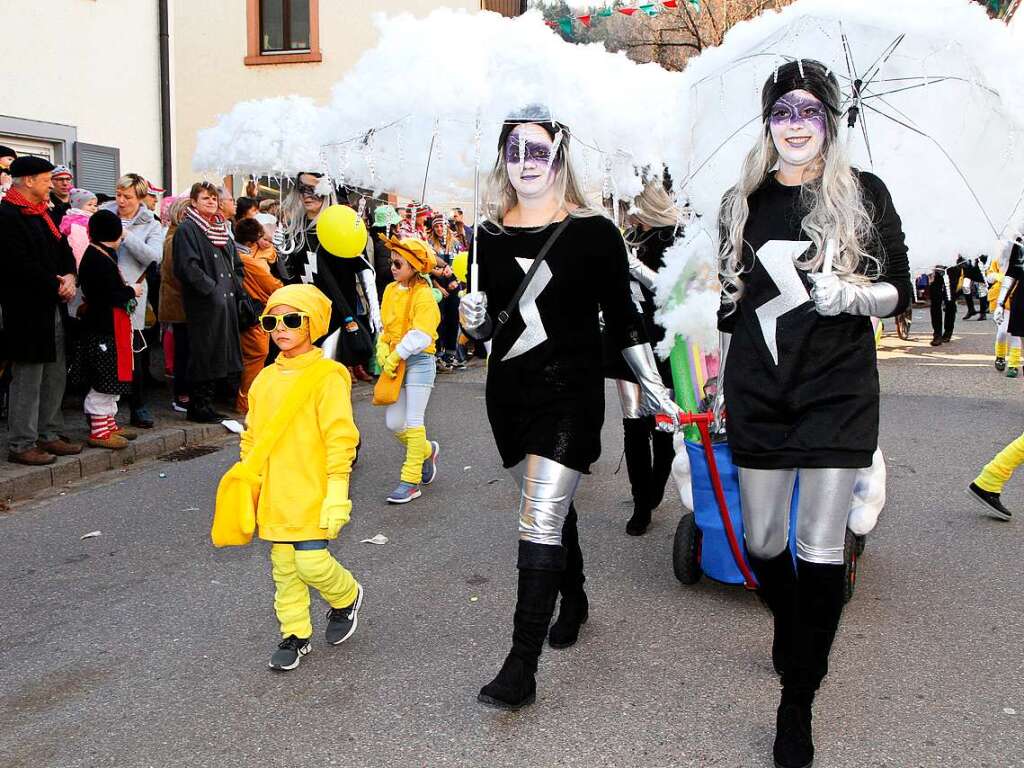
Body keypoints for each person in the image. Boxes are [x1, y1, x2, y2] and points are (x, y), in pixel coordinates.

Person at [714, 60, 910, 768]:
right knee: (764, 544)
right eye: (783, 111)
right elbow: (734, 302)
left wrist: (854, 295)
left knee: (818, 547)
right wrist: (715, 377)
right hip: (760, 389)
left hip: (835, 388)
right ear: (769, 122)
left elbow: (901, 291)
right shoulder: (742, 201)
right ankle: (795, 627)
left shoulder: (864, 196)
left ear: (830, 120)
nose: (795, 124)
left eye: (809, 110)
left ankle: (797, 701)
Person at [459, 106, 678, 710]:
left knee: (538, 517)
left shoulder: (596, 232)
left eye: (538, 150)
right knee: (547, 507)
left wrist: (655, 386)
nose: (525, 162)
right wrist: (469, 323)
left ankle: (520, 665)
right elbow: (483, 333)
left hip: (571, 395)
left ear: (559, 155)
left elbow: (627, 321)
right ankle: (574, 594)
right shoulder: (485, 236)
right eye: (514, 150)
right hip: (508, 397)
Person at [236, 283, 363, 670]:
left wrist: (337, 492)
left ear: (312, 323)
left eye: (291, 319)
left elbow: (341, 438)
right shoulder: (264, 380)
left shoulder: (329, 375)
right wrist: (248, 485)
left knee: (311, 564)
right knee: (284, 570)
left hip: (315, 489)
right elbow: (252, 437)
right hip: (276, 493)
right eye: (271, 320)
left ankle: (346, 596)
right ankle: (295, 634)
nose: (280, 328)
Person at [606, 178, 680, 536]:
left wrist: (636, 268)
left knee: (662, 424)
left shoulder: (678, 237)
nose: (628, 208)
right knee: (633, 424)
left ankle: (655, 487)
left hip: (665, 343)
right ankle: (640, 502)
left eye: (633, 200)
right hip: (626, 340)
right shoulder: (623, 237)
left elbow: (678, 290)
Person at [0, 156, 82, 465]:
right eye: (47, 178)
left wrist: (71, 276)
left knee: (54, 373)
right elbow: (15, 263)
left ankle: (50, 433)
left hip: (53, 306)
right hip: (25, 309)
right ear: (29, 181)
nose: (52, 183)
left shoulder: (42, 213)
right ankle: (22, 443)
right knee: (28, 377)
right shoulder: (7, 215)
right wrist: (56, 283)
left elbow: (63, 251)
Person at [276, 172, 381, 377]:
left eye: (314, 190)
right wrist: (280, 253)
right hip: (304, 318)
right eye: (302, 189)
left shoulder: (338, 228)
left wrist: (376, 315)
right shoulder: (296, 233)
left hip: (335, 316)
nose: (307, 196)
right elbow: (289, 279)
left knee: (326, 376)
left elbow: (364, 268)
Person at [375, 236, 442, 504]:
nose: (393, 267)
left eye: (398, 263)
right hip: (395, 359)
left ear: (414, 266)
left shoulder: (424, 295)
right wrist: (382, 346)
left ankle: (410, 481)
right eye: (392, 263)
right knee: (394, 423)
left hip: (420, 361)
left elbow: (423, 335)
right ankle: (426, 451)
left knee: (414, 422)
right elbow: (386, 324)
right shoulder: (391, 289)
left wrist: (396, 354)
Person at [173, 181, 243, 423]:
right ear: (193, 202)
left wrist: (236, 284)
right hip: (205, 303)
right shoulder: (188, 229)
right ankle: (199, 405)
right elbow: (186, 266)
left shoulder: (220, 228)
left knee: (220, 353)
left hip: (226, 300)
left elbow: (235, 263)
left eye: (214, 198)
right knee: (205, 353)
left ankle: (209, 402)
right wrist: (211, 290)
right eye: (205, 198)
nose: (211, 202)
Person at [100, 173, 165, 428]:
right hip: (104, 289)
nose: (121, 201)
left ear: (140, 198)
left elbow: (154, 257)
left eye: (127, 196)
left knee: (134, 350)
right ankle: (103, 412)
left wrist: (126, 235)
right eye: (118, 195)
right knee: (105, 349)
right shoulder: (104, 214)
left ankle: (138, 405)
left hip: (133, 292)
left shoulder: (151, 223)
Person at [78, 211, 142, 449]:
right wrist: (131, 291)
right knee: (104, 379)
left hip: (110, 326)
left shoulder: (101, 254)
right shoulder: (97, 259)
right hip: (103, 328)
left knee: (113, 377)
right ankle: (99, 430)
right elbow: (106, 296)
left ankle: (108, 422)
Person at [235, 218, 282, 413]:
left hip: (247, 311)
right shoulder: (248, 260)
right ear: (253, 241)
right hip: (255, 312)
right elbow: (272, 284)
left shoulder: (237, 254)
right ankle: (246, 401)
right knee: (257, 354)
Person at [159, 197, 192, 412]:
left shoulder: (180, 235)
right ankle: (182, 395)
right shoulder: (175, 238)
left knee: (187, 350)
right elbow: (177, 273)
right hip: (180, 304)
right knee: (183, 351)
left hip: (184, 303)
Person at [427, 212, 465, 371]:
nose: (439, 229)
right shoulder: (429, 244)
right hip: (438, 287)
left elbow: (461, 264)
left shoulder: (455, 243)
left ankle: (451, 353)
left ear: (446, 226)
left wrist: (455, 280)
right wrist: (438, 286)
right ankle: (437, 354)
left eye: (441, 225)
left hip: (454, 286)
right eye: (436, 226)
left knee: (453, 319)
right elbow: (428, 268)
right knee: (439, 320)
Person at [993, 236, 1024, 377]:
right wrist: (1000, 303)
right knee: (1009, 333)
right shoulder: (1020, 243)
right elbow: (1011, 274)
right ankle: (1011, 363)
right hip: (1020, 299)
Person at [59, 188, 98, 266]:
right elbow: (79, 247)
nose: (94, 208)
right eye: (89, 205)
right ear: (78, 206)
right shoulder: (80, 222)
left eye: (95, 205)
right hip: (83, 259)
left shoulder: (84, 219)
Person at [928, 262, 960, 346]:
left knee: (950, 301)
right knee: (935, 302)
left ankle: (948, 331)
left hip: (952, 266)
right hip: (935, 268)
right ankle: (937, 334)